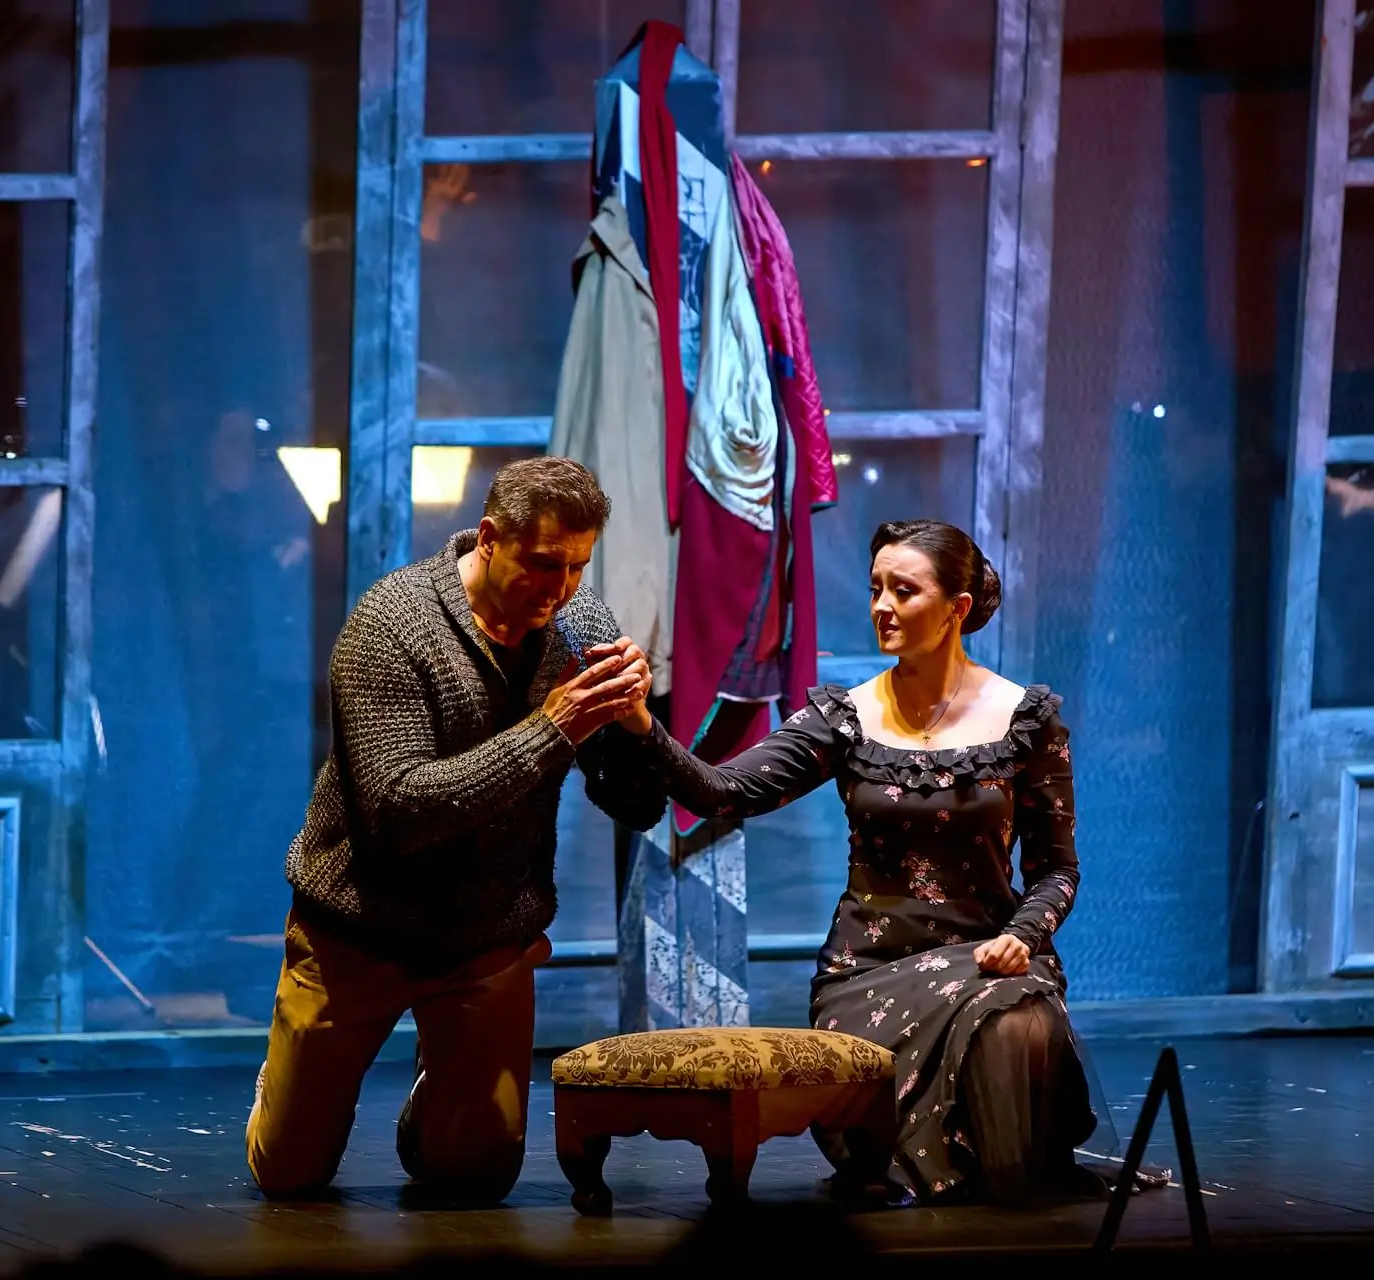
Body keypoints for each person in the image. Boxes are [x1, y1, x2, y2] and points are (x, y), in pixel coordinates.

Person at [623, 518, 1140, 1206]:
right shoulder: (847, 717)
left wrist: (1023, 936)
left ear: (957, 607)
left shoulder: (1025, 719)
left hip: (991, 960)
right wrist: (642, 726)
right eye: (875, 589)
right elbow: (722, 792)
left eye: (904, 590)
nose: (882, 607)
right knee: (998, 1028)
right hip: (871, 973)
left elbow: (1057, 869)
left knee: (1014, 1022)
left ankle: (1018, 1227)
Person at [245, 456, 662, 1205]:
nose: (562, 588)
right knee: (288, 1172)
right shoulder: (393, 625)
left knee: (475, 1177)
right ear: (490, 539)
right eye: (545, 563)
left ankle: (436, 1098)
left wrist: (634, 728)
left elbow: (637, 807)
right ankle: (290, 1086)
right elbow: (398, 812)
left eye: (578, 566)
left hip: (485, 934)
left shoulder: (579, 625)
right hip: (358, 928)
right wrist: (553, 728)